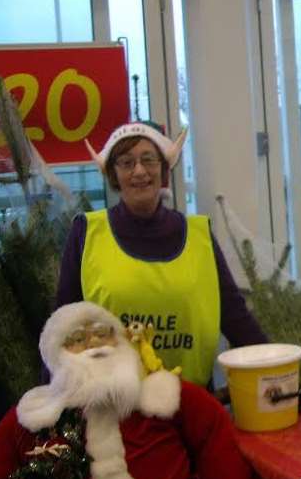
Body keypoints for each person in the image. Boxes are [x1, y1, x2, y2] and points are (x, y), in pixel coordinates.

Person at [0, 301, 272, 479]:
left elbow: (221, 456)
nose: (93, 344)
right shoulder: (34, 418)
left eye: (104, 334)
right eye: (77, 339)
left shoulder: (165, 395)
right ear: (56, 355)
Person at [56, 122, 266, 388]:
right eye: (126, 162)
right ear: (113, 174)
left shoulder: (198, 235)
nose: (140, 171)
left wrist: (277, 371)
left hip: (190, 405)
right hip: (112, 409)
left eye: (149, 160)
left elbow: (235, 315)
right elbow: (62, 325)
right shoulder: (87, 233)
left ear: (163, 169)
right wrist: (55, 399)